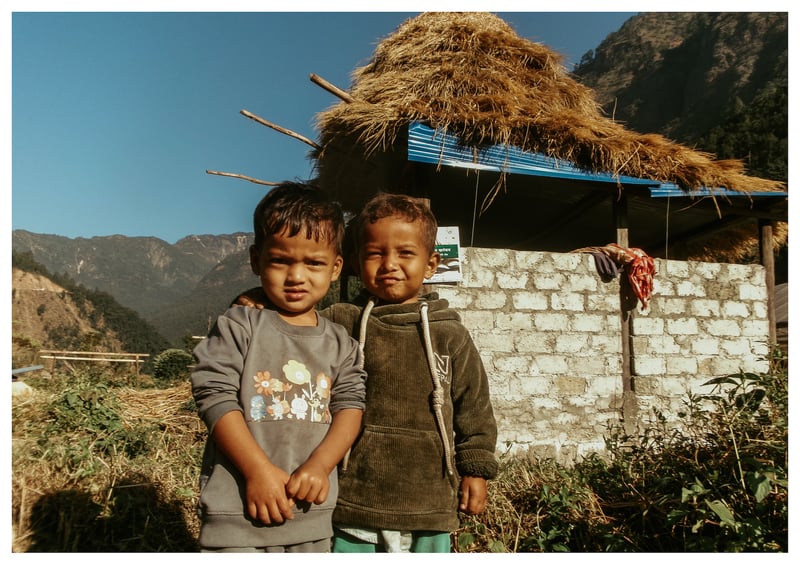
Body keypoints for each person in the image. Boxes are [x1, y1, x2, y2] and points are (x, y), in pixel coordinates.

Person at [237, 192, 498, 552]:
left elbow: (474, 405)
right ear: (356, 262)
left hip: (430, 497)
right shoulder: (338, 323)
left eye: (405, 253)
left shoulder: (448, 333)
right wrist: (259, 299)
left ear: (431, 263)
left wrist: (477, 470)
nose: (390, 264)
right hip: (352, 497)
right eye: (376, 253)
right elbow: (292, 318)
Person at [191, 181, 366, 553]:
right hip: (236, 517)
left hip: (312, 519)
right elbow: (214, 396)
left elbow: (351, 407)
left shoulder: (342, 344)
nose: (297, 276)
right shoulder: (239, 326)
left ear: (336, 268)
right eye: (281, 260)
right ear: (256, 260)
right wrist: (257, 471)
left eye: (314, 263)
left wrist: (320, 466)